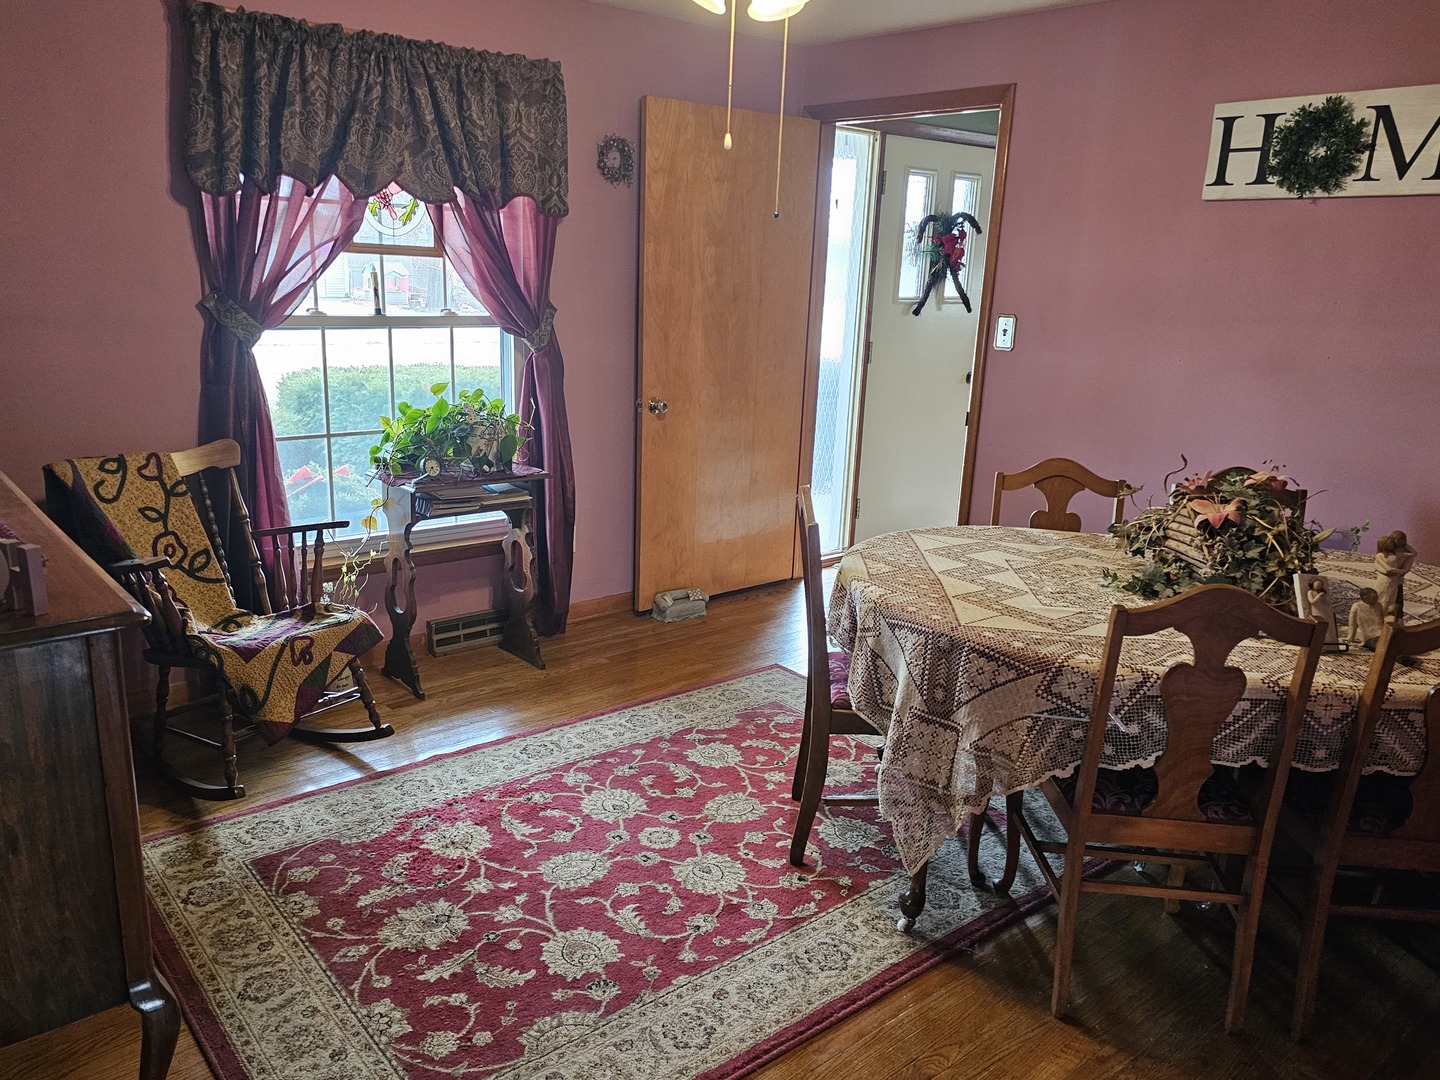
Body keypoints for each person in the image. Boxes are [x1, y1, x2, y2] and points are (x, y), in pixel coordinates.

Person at [1374, 531, 1417, 625]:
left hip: (1397, 580)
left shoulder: (1404, 552)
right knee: (1383, 598)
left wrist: (1402, 572)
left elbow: (1412, 556)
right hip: (1387, 578)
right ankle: (1381, 617)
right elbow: (1381, 567)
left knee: (1397, 601)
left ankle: (1397, 619)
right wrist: (1391, 572)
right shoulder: (1385, 554)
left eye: (1403, 539)